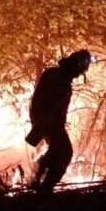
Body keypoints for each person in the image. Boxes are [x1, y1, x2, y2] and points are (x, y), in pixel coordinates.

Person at [26, 49, 94, 194]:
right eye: (81, 70)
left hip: (50, 121)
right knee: (65, 151)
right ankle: (43, 185)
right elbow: (45, 102)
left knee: (59, 150)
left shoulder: (61, 79)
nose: (79, 74)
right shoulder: (55, 76)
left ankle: (40, 179)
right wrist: (45, 122)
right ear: (76, 64)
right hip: (47, 120)